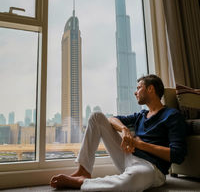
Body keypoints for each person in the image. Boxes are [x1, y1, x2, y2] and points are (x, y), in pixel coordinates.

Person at [50, 74, 187, 191]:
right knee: (96, 117)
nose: (135, 92)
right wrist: (124, 130)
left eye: (139, 88)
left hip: (150, 167)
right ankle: (84, 171)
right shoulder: (141, 115)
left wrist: (139, 144)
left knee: (131, 181)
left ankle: (82, 183)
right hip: (127, 156)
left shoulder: (172, 115)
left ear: (151, 89)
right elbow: (111, 119)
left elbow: (177, 155)